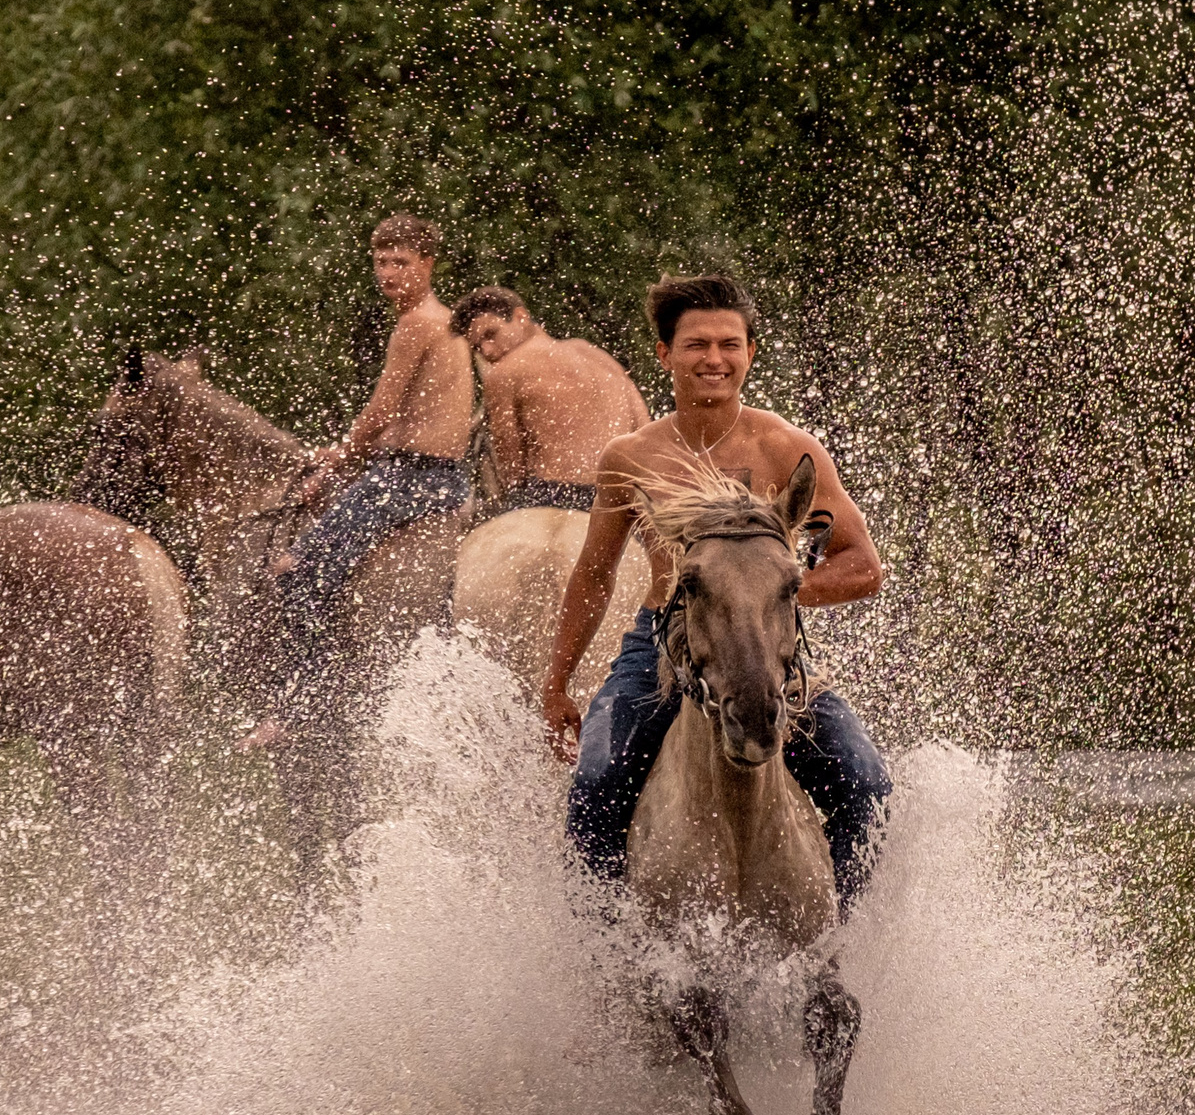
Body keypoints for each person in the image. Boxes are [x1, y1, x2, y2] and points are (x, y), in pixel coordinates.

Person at [540, 273, 892, 911]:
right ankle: (614, 961)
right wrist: (557, 681)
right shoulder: (631, 457)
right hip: (661, 645)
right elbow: (594, 574)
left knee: (865, 781)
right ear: (665, 354)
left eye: (730, 345)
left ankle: (842, 948)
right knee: (595, 785)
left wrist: (764, 596)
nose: (714, 359)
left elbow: (862, 565)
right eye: (697, 344)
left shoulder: (785, 447)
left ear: (750, 354)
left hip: (768, 645)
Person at [244, 214, 474, 747]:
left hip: (410, 478)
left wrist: (331, 467)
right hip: (431, 473)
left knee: (297, 569)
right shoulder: (445, 321)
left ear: (428, 265)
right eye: (380, 262)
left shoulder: (417, 321)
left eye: (402, 262)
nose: (389, 273)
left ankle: (301, 705)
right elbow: (411, 416)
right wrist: (348, 452)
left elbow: (377, 414)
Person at [450, 286, 651, 512]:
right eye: (477, 346)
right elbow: (646, 433)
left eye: (490, 334)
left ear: (521, 317)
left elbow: (512, 469)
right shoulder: (597, 356)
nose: (486, 351)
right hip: (624, 497)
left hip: (557, 494)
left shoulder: (503, 373)